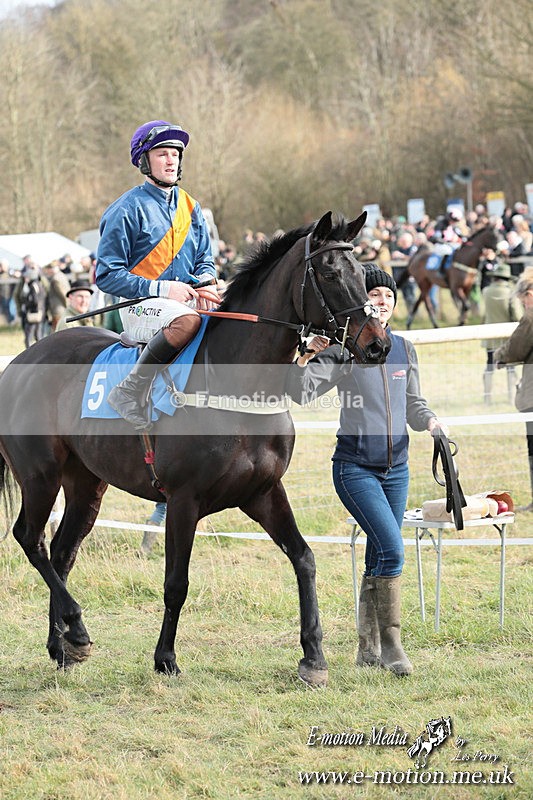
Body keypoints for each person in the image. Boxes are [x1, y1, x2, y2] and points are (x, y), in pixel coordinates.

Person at [285, 265, 447, 676]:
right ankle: (392, 647)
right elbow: (300, 391)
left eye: (388, 296)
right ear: (362, 301)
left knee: (379, 552)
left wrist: (432, 423)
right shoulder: (343, 349)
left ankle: (367, 647)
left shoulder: (405, 348)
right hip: (355, 468)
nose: (382, 301)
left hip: (398, 469)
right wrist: (305, 355)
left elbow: (413, 404)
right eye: (374, 294)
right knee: (393, 549)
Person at [95, 120, 219, 430]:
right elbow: (106, 275)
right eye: (162, 153)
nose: (170, 160)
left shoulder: (192, 208)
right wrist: (163, 289)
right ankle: (129, 390)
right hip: (137, 305)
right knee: (186, 321)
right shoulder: (125, 209)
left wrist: (205, 283)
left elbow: (205, 259)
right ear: (144, 161)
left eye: (175, 155)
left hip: (184, 301)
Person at [494, 267, 533, 512]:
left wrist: (498, 356)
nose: (523, 305)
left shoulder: (531, 316)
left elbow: (514, 350)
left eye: (523, 300)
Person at [481, 263, 521, 404]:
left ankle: (487, 398)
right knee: (510, 368)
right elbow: (517, 315)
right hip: (507, 338)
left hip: (490, 337)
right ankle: (511, 398)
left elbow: (483, 313)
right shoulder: (511, 293)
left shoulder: (486, 291)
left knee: (490, 366)